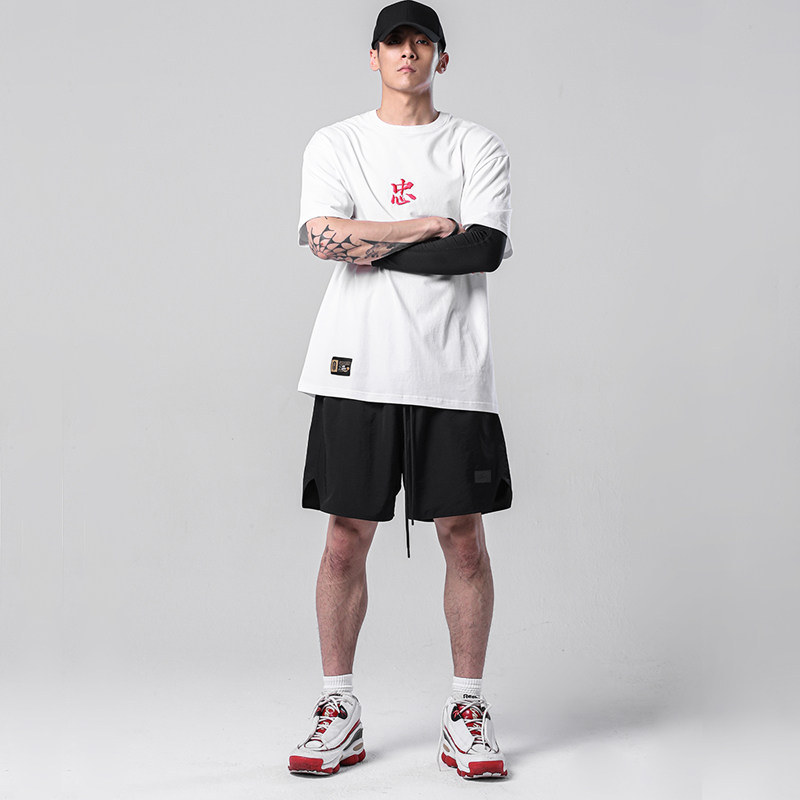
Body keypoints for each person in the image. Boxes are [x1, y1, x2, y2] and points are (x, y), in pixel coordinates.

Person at [288, 0, 513, 780]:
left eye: (422, 42)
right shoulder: (337, 142)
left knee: (464, 539)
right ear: (374, 56)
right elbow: (321, 239)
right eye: (394, 42)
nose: (407, 53)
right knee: (343, 539)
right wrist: (422, 226)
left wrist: (368, 239)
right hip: (355, 367)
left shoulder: (475, 144)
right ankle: (337, 709)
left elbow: (480, 250)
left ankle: (467, 709)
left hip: (452, 370)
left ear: (442, 58)